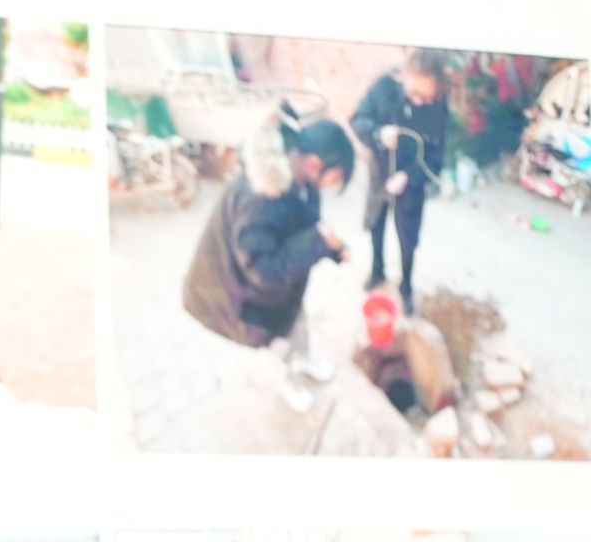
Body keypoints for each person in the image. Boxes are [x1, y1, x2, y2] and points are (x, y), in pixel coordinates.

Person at [181, 110, 357, 415]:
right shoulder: (259, 199)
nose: (331, 186)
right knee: (280, 341)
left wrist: (332, 249)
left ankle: (304, 361)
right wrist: (317, 242)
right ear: (316, 164)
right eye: (335, 179)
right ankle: (289, 381)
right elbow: (265, 271)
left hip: (282, 290)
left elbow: (307, 225)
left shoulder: (301, 180)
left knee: (297, 321)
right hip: (243, 294)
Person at [350, 48, 449, 314]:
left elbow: (436, 155)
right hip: (381, 173)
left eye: (426, 97)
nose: (419, 101)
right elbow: (357, 120)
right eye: (414, 93)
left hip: (410, 183)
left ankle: (405, 286)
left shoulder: (438, 105)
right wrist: (378, 133)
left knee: (407, 237)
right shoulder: (383, 88)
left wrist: (408, 176)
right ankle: (377, 271)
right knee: (376, 224)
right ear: (404, 75)